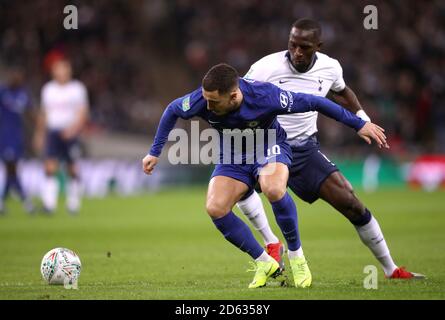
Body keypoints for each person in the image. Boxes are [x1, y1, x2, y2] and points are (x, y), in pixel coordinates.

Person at [142, 63, 388, 288]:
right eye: (206, 100)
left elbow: (316, 102)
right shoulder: (201, 99)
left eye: (214, 102)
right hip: (234, 157)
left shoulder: (266, 96)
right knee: (215, 207)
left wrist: (358, 124)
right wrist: (155, 152)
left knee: (273, 188)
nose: (207, 107)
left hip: (269, 147)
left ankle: (296, 256)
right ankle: (264, 261)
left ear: (234, 96)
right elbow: (172, 110)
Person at [238, 18, 424, 280]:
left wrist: (362, 118)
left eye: (304, 47)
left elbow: (342, 92)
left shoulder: (330, 67)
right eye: (293, 45)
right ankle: (271, 242)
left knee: (351, 202)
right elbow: (239, 95)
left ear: (318, 46)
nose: (297, 52)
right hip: (265, 146)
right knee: (235, 187)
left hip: (303, 150)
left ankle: (391, 269)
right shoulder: (265, 67)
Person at [34, 57, 89, 214]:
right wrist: (39, 134)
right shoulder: (48, 89)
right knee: (50, 167)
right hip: (53, 132)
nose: (62, 72)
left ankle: (73, 204)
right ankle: (49, 204)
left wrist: (73, 129)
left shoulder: (77, 89)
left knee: (72, 168)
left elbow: (83, 113)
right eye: (58, 69)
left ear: (69, 70)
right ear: (53, 72)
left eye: (64, 69)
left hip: (70, 133)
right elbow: (44, 114)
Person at [0, 66, 35, 214]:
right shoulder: (3, 93)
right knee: (11, 168)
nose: (17, 79)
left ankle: (3, 202)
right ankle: (25, 201)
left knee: (12, 170)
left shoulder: (23, 94)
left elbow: (30, 113)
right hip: (4, 135)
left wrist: (36, 132)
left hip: (18, 136)